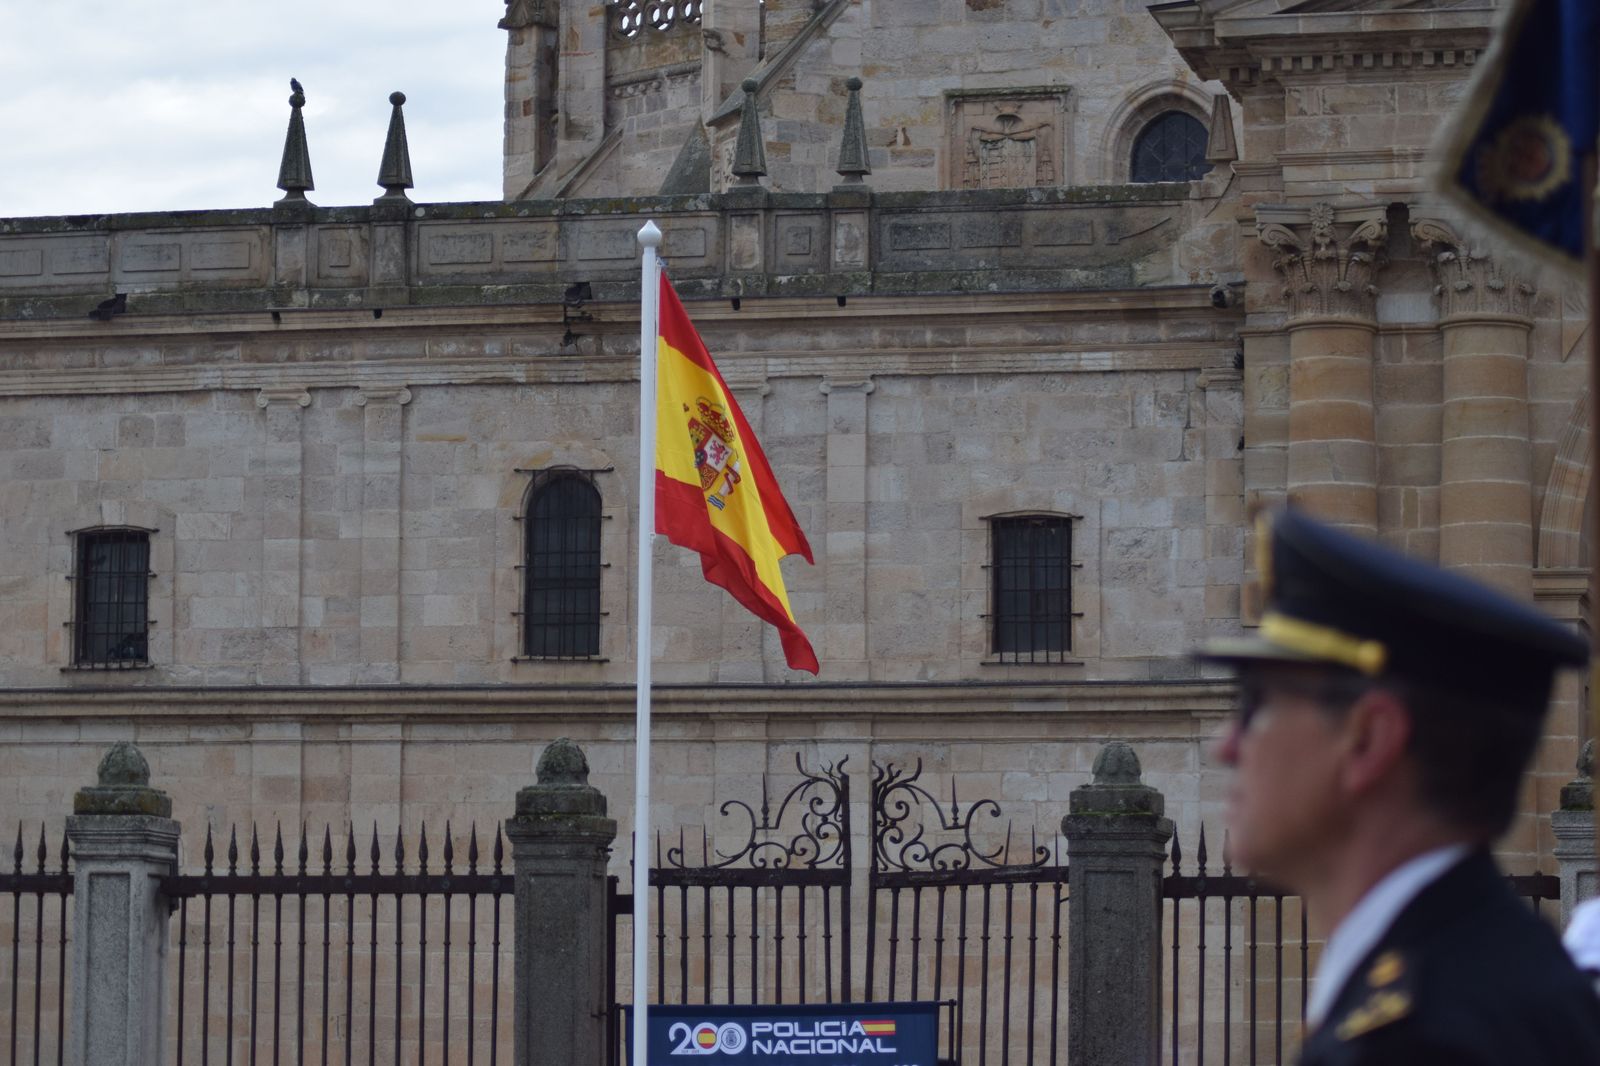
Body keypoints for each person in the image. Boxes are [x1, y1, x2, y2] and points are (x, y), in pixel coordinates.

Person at [1198, 509, 1600, 1064]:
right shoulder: (1474, 992)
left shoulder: (1428, 1038)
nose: (1225, 745)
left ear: (1368, 740)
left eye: (1256, 705)